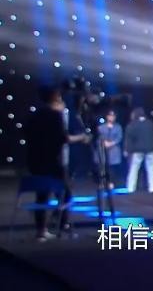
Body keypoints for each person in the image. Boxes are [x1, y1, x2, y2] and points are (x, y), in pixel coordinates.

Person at [23, 86, 88, 241]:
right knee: (65, 195)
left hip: (35, 161)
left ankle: (41, 231)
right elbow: (63, 138)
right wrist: (81, 137)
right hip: (52, 162)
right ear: (54, 97)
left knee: (42, 197)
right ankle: (60, 224)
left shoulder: (35, 115)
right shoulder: (54, 115)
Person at [124, 107, 153, 193]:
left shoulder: (133, 124)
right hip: (150, 149)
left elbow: (129, 138)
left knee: (134, 169)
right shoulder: (150, 123)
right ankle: (152, 188)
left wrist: (127, 150)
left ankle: (131, 188)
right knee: (151, 169)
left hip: (137, 150)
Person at [96, 109, 123, 189]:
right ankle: (102, 182)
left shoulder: (118, 127)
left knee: (112, 168)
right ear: (107, 117)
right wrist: (103, 142)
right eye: (110, 116)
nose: (111, 117)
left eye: (113, 116)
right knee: (102, 167)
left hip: (113, 150)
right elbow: (98, 138)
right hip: (102, 150)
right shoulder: (101, 127)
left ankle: (111, 182)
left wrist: (112, 143)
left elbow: (119, 137)